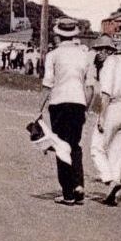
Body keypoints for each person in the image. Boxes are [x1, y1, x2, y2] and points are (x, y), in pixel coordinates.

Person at [42, 17, 91, 205]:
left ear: (58, 34)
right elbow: (89, 85)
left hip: (59, 103)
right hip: (78, 102)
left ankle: (68, 193)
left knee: (61, 145)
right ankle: (78, 184)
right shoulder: (83, 54)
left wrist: (39, 109)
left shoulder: (53, 55)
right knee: (75, 144)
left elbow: (48, 84)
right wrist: (86, 108)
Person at [89, 37, 121, 205]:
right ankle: (114, 191)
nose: (97, 54)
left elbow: (105, 94)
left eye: (99, 50)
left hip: (111, 108)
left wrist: (102, 118)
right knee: (116, 152)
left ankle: (110, 180)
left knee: (96, 148)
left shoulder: (107, 67)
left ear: (107, 51)